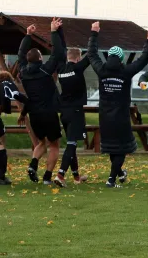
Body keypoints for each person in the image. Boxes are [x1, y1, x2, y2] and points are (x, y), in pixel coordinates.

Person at [87, 21, 148, 187]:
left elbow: (91, 54)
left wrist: (94, 33)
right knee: (121, 149)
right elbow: (144, 59)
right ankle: (111, 179)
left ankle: (119, 173)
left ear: (109, 56)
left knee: (111, 147)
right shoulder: (126, 71)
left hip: (105, 116)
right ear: (121, 58)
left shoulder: (101, 70)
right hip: (121, 117)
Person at [19, 20, 65, 184]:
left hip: (34, 114)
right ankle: (47, 177)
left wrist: (28, 35)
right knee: (54, 145)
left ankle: (33, 164)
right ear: (39, 58)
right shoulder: (45, 70)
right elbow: (58, 53)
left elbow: (20, 55)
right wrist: (53, 32)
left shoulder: (23, 72)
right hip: (49, 112)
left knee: (41, 143)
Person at [54, 32, 91, 187]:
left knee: (72, 143)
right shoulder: (78, 68)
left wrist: (57, 32)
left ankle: (76, 177)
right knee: (71, 144)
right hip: (76, 111)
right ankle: (60, 175)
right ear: (78, 58)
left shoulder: (61, 69)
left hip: (64, 113)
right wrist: (94, 33)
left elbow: (58, 49)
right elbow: (92, 54)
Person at [0, 72, 29, 185]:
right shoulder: (6, 85)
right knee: (1, 145)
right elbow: (24, 99)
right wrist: (23, 114)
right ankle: (0, 175)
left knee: (2, 140)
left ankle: (1, 175)